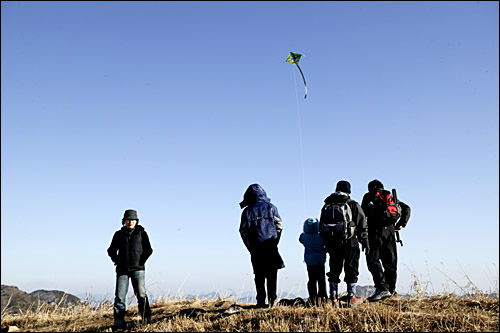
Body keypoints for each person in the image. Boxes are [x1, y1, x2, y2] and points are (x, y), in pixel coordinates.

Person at [319, 180, 369, 307]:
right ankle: (351, 297)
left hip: (332, 243)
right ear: (349, 191)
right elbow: (362, 224)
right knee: (351, 268)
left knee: (334, 269)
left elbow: (321, 226)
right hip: (350, 242)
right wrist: (365, 240)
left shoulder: (327, 205)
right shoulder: (352, 204)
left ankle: (334, 297)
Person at [361, 179, 411, 302]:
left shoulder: (368, 197)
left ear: (371, 188)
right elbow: (407, 208)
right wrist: (401, 224)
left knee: (372, 260)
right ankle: (391, 290)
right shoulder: (390, 197)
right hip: (390, 232)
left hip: (374, 233)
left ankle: (382, 288)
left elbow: (362, 215)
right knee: (390, 263)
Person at [239, 184, 284, 308]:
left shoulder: (246, 211)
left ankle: (260, 301)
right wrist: (274, 242)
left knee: (258, 275)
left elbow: (243, 232)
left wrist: (250, 247)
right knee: (272, 275)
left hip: (256, 248)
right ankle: (272, 301)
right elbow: (279, 226)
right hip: (270, 246)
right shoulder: (272, 207)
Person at [107, 209, 153, 328]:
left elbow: (149, 250)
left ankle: (146, 320)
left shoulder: (142, 233)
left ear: (136, 221)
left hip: (138, 270)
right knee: (119, 297)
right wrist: (117, 261)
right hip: (122, 270)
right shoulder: (118, 234)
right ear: (124, 221)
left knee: (141, 295)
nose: (130, 222)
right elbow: (111, 250)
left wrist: (141, 261)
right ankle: (119, 323)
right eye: (128, 220)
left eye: (133, 220)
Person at [299, 217, 327, 306]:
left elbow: (300, 238)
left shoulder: (304, 237)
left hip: (310, 262)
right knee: (321, 280)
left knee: (312, 280)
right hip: (320, 261)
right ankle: (323, 298)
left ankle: (312, 298)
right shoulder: (321, 237)